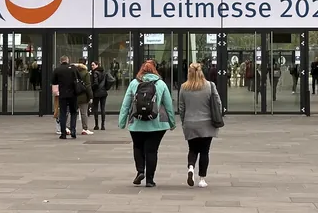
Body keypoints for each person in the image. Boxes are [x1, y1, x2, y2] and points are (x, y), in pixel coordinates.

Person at [118, 60, 176, 188]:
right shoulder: (161, 84)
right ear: (155, 70)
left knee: (138, 147)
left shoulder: (134, 83)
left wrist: (122, 122)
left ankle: (140, 171)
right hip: (157, 125)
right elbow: (168, 105)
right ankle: (150, 180)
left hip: (136, 124)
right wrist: (172, 122)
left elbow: (126, 104)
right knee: (152, 151)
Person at [179, 63, 222, 189]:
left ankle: (191, 167)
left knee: (192, 149)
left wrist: (184, 122)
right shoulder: (210, 86)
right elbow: (218, 103)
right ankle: (202, 179)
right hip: (207, 123)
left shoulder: (184, 87)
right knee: (204, 151)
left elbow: (181, 108)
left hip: (190, 123)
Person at [52, 55, 79, 139]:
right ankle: (73, 130)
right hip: (73, 94)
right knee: (73, 112)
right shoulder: (73, 68)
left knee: (63, 113)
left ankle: (63, 133)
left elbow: (54, 82)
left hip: (62, 94)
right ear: (68, 60)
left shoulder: (57, 70)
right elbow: (79, 78)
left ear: (60, 61)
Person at [73, 61, 94, 136]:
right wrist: (91, 96)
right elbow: (88, 85)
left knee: (72, 112)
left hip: (74, 95)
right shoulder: (85, 73)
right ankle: (85, 129)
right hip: (83, 95)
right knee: (84, 113)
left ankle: (69, 128)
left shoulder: (73, 72)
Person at [91, 61, 109, 131]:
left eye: (93, 65)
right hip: (104, 92)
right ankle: (103, 125)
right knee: (103, 108)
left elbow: (95, 83)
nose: (92, 66)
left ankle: (96, 125)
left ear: (97, 65)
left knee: (95, 108)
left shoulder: (95, 73)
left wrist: (92, 88)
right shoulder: (104, 72)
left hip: (97, 93)